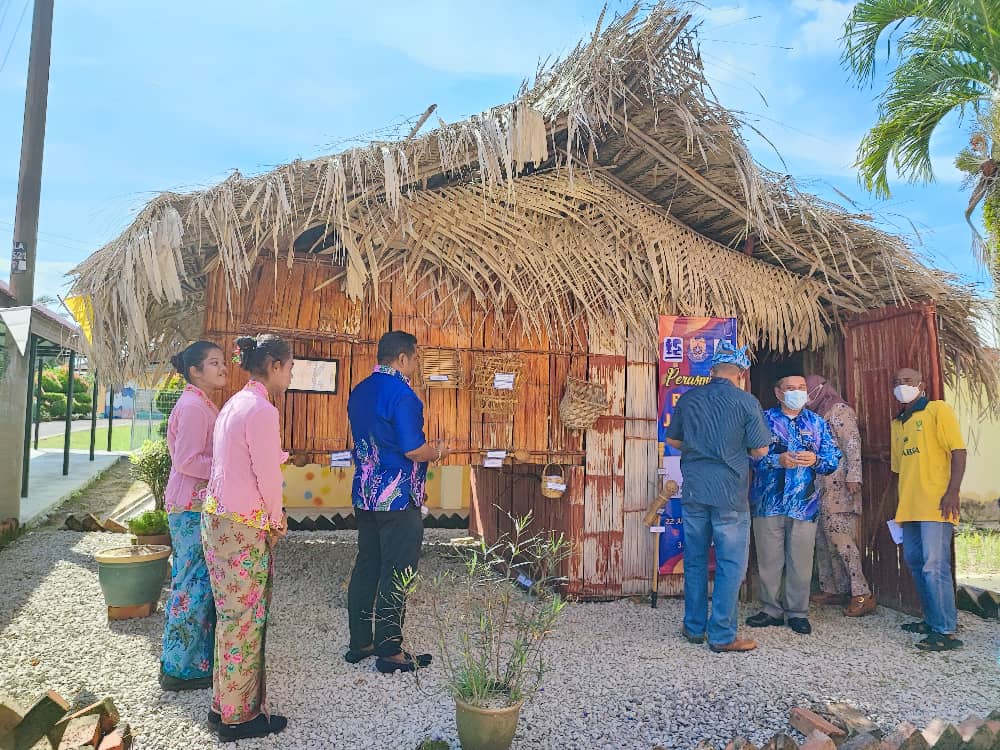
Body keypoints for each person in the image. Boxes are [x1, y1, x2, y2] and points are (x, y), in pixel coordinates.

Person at [202, 334, 293, 742]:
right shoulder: (262, 410)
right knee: (246, 621)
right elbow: (267, 478)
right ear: (274, 365)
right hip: (243, 524)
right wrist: (277, 520)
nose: (291, 375)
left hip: (219, 519)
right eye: (289, 367)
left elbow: (240, 461)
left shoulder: (234, 404)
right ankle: (240, 719)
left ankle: (223, 705)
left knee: (229, 618)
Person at [346, 331, 448, 673]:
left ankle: (360, 641)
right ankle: (390, 651)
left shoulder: (359, 390)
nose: (416, 365)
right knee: (397, 571)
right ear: (403, 358)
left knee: (367, 566)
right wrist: (437, 451)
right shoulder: (404, 395)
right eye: (415, 358)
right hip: (397, 497)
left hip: (365, 493)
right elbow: (411, 449)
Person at [664, 342, 771, 653]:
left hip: (695, 489)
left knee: (695, 561)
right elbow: (761, 450)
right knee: (730, 564)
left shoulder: (690, 398)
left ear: (711, 371)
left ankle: (694, 628)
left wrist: (700, 451)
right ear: (741, 373)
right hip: (729, 493)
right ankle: (722, 635)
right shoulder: (746, 402)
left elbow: (672, 438)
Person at [747, 371, 840, 635]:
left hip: (804, 504)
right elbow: (750, 456)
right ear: (779, 393)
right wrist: (778, 461)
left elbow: (833, 459)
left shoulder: (818, 423)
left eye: (801, 387)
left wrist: (816, 460)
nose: (797, 391)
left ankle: (798, 612)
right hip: (768, 502)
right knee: (769, 559)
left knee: (800, 561)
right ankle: (770, 610)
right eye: (790, 387)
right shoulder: (763, 421)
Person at [160, 341, 226, 693]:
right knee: (189, 586)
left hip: (194, 503)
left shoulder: (200, 404)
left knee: (198, 585)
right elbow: (186, 461)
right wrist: (227, 465)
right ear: (195, 371)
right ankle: (177, 669)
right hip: (189, 505)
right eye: (213, 363)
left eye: (222, 361)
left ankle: (192, 664)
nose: (222, 368)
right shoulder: (193, 407)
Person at [889, 367, 966, 651]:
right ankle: (931, 620)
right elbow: (898, 469)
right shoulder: (898, 423)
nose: (901, 386)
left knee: (935, 566)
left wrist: (953, 492)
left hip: (937, 503)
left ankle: (946, 631)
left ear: (921, 385)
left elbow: (958, 451)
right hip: (909, 507)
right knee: (915, 562)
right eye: (897, 382)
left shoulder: (937, 410)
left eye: (907, 381)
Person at [805, 375, 876, 617]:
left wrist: (854, 475)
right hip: (820, 484)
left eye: (808, 391)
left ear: (820, 390)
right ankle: (834, 588)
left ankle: (862, 593)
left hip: (840, 484)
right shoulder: (814, 415)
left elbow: (852, 442)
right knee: (823, 540)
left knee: (840, 538)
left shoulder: (839, 410)